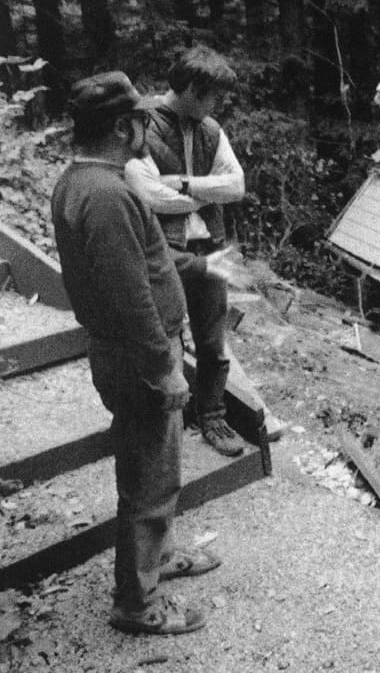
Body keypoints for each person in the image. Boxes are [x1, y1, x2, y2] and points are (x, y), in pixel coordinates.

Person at [52, 71, 222, 635]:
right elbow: (128, 297)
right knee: (150, 478)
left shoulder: (85, 182)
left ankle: (156, 558)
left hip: (129, 353)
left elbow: (141, 264)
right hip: (137, 357)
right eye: (143, 122)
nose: (147, 131)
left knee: (154, 468)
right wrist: (163, 367)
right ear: (124, 127)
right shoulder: (104, 194)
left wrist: (197, 270)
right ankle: (137, 603)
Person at [124, 46, 246, 456]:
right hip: (166, 249)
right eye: (214, 94)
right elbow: (147, 193)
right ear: (193, 89)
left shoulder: (211, 129)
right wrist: (204, 194)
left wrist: (185, 184)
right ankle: (164, 419)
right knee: (165, 335)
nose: (218, 104)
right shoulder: (143, 122)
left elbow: (237, 186)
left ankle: (212, 417)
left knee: (213, 340)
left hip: (212, 244)